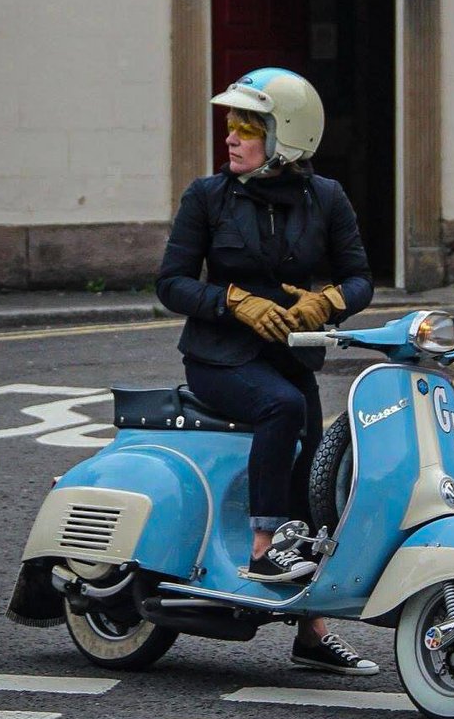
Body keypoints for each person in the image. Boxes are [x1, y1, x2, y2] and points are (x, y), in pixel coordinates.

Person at [156, 67, 378, 675]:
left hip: (289, 358)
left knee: (313, 466)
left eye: (247, 127)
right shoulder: (207, 196)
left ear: (288, 136)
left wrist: (327, 301)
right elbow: (170, 283)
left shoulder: (325, 198)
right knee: (282, 410)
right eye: (231, 125)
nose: (230, 138)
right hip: (218, 360)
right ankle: (262, 551)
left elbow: (361, 277)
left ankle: (311, 633)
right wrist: (232, 301)